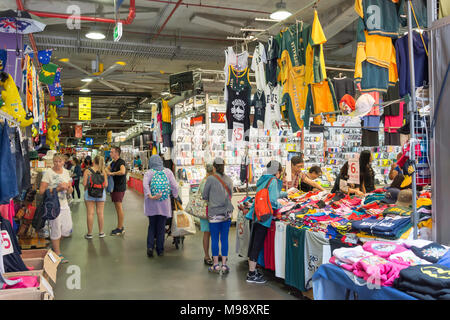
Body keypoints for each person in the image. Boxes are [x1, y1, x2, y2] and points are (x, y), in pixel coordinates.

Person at [245, 160, 287, 284]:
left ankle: (251, 271)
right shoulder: (273, 181)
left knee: (253, 243)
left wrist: (284, 193)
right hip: (264, 217)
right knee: (257, 245)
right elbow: (273, 201)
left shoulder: (264, 179)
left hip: (256, 214)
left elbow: (267, 193)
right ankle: (251, 274)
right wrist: (283, 205)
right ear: (277, 171)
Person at [39, 153, 73, 263]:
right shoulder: (48, 173)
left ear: (64, 162)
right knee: (56, 229)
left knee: (67, 229)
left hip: (64, 204)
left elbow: (70, 188)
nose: (57, 164)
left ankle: (54, 245)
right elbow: (41, 191)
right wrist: (57, 188)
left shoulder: (66, 172)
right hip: (53, 205)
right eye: (55, 161)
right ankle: (57, 253)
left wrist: (69, 189)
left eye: (59, 161)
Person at [202, 158, 234, 274]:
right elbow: (231, 194)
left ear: (214, 167)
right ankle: (224, 265)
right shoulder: (229, 179)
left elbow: (204, 195)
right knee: (224, 239)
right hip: (227, 213)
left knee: (214, 239)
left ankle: (215, 265)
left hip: (214, 214)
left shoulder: (210, 179)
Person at [143, 155, 179, 257]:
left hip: (151, 204)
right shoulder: (168, 172)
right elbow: (175, 186)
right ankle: (160, 250)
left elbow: (145, 185)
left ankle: (150, 247)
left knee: (152, 226)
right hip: (164, 205)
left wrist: (150, 195)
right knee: (161, 227)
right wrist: (175, 195)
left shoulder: (148, 173)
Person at [83, 155, 108, 239]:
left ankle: (89, 234)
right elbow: (106, 184)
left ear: (93, 161)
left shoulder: (87, 171)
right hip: (101, 193)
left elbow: (84, 184)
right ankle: (101, 232)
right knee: (100, 213)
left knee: (90, 213)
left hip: (89, 193)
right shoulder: (103, 171)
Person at [106, 147, 127, 236]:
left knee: (119, 207)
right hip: (114, 187)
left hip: (119, 187)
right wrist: (107, 171)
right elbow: (106, 168)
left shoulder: (121, 162)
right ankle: (120, 226)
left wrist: (112, 173)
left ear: (116, 153)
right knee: (117, 207)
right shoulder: (113, 163)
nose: (110, 153)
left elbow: (123, 171)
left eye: (112, 152)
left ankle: (120, 228)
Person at [198, 164, 215, 266]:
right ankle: (207, 256)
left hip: (206, 211)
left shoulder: (203, 181)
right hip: (207, 211)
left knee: (208, 233)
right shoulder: (207, 182)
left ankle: (210, 255)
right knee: (209, 233)